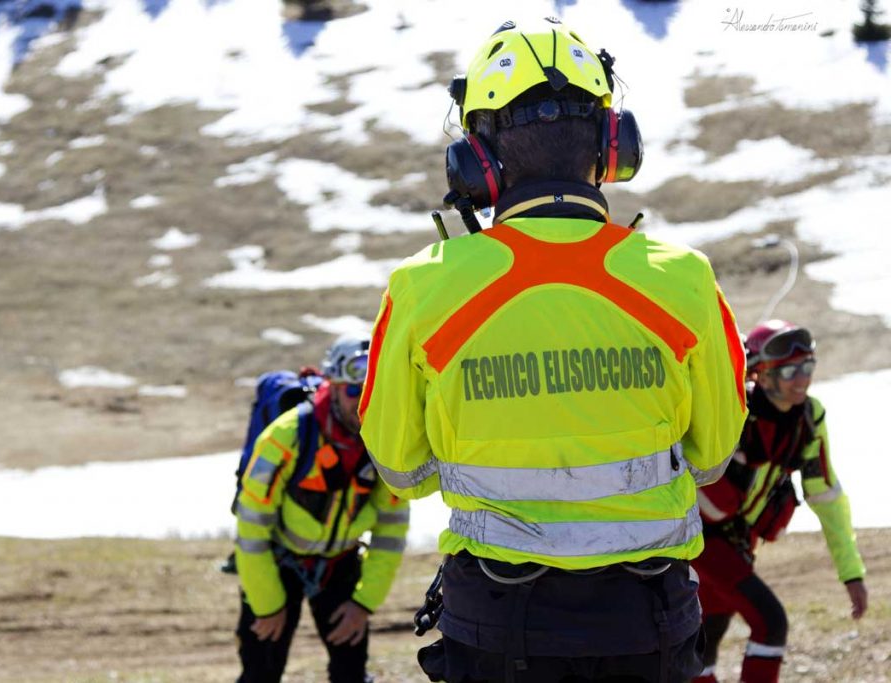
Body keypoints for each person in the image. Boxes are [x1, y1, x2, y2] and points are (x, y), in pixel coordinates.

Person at [358, 19, 748, 683]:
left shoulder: (422, 287)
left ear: (476, 162)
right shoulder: (684, 279)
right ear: (613, 146)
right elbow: (712, 458)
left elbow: (401, 468)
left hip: (495, 621)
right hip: (647, 623)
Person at [691, 320, 867, 683]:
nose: (801, 378)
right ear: (760, 374)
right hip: (702, 540)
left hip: (739, 544)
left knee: (707, 635)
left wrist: (851, 573)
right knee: (770, 622)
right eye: (788, 370)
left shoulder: (809, 419)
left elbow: (826, 498)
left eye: (808, 366)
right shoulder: (732, 412)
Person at [234, 333, 410, 683]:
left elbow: (391, 530)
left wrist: (363, 605)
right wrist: (267, 605)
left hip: (340, 566)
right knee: (260, 673)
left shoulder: (385, 444)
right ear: (334, 386)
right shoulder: (286, 436)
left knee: (351, 675)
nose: (363, 402)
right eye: (354, 390)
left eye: (373, 391)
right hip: (276, 562)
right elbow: (251, 528)